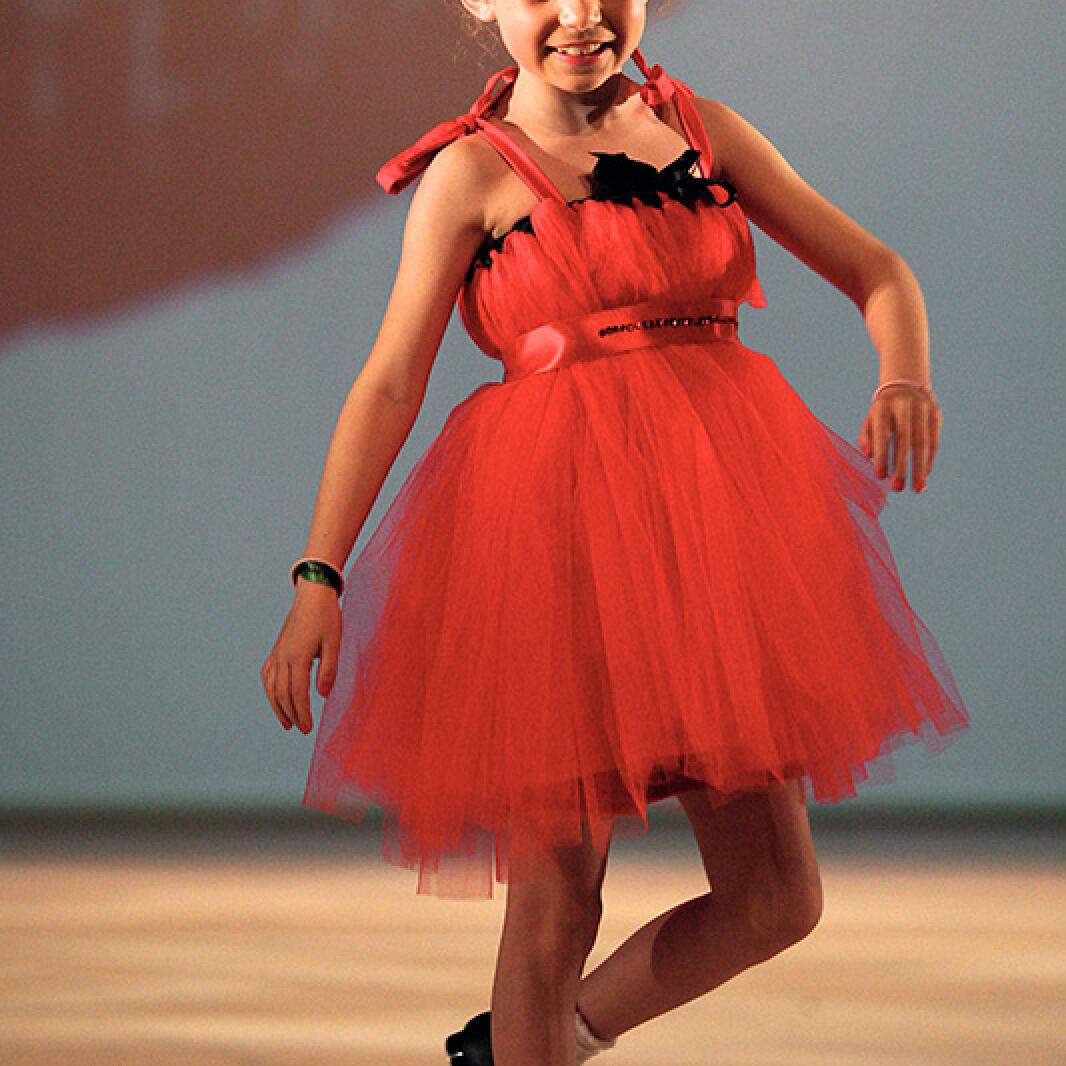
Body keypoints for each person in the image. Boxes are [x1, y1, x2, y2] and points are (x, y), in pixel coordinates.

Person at [261, 2, 969, 1063]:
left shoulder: (700, 129)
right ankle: (530, 1038)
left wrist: (902, 373)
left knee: (776, 897)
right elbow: (390, 384)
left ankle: (536, 1041)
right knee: (557, 899)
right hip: (555, 540)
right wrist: (319, 575)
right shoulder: (472, 174)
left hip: (716, 534)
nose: (583, 14)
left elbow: (879, 270)